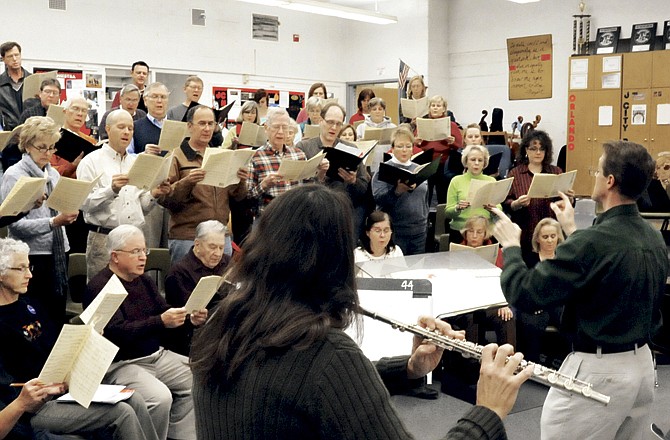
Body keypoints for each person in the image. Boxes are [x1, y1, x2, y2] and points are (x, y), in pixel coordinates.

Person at [190, 184, 533, 440]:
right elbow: (321, 376)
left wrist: (408, 368)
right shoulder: (327, 353)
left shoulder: (222, 325)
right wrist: (488, 411)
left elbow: (301, 388)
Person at [492, 140, 668, 440]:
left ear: (610, 181)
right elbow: (607, 274)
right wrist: (572, 232)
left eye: (598, 171)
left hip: (600, 370)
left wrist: (510, 247)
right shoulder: (652, 238)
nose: (595, 175)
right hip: (641, 367)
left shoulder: (593, 243)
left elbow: (524, 293)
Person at [0, 237, 159, 440]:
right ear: (1, 274)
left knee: (134, 398)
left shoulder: (31, 305)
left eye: (29, 266)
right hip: (33, 406)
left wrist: (86, 337)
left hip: (62, 388)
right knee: (121, 413)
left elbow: (60, 345)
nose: (29, 274)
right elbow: (9, 388)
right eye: (20, 269)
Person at [84, 225, 204, 440]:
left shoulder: (143, 281)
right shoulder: (99, 287)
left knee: (198, 377)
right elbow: (115, 333)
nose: (143, 257)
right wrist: (160, 322)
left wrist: (187, 318)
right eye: (136, 252)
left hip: (154, 355)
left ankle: (178, 436)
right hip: (121, 363)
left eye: (144, 251)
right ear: (115, 257)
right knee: (159, 397)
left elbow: (163, 311)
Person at [0, 116, 77, 326]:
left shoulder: (52, 174)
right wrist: (54, 222)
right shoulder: (14, 175)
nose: (48, 153)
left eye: (52, 147)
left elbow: (58, 212)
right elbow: (14, 226)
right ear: (26, 145)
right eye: (42, 147)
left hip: (59, 251)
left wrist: (69, 212)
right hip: (32, 256)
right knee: (36, 316)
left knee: (56, 312)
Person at [77, 109, 170, 281]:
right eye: (121, 127)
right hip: (103, 238)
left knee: (133, 297)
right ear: (108, 129)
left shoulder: (136, 162)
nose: (127, 132)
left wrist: (154, 194)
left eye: (130, 128)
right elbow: (83, 203)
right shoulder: (90, 162)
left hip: (134, 239)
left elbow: (140, 206)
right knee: (103, 295)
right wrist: (111, 190)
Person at [159, 105, 247, 263]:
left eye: (211, 124)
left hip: (221, 237)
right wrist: (187, 182)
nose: (207, 128)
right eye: (202, 123)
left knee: (220, 286)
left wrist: (241, 180)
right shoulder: (176, 156)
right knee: (186, 285)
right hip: (188, 237)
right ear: (189, 126)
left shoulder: (221, 155)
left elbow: (238, 197)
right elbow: (165, 199)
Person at [295, 102, 371, 237]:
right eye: (330, 122)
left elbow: (363, 188)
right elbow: (296, 185)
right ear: (320, 121)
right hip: (313, 216)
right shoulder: (304, 147)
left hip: (342, 216)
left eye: (338, 123)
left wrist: (353, 181)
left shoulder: (351, 149)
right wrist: (319, 176)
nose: (334, 127)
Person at [165, 220, 231, 356]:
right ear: (197, 245)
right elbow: (179, 320)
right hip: (193, 339)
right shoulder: (179, 272)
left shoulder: (227, 262)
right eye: (212, 247)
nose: (217, 253)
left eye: (221, 247)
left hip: (226, 328)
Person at [504, 130, 568, 264]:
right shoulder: (515, 173)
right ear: (526, 150)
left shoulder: (556, 172)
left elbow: (566, 206)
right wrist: (516, 203)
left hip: (551, 234)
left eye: (542, 149)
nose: (538, 152)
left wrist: (569, 199)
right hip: (526, 231)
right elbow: (506, 202)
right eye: (533, 149)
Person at [514, 218, 565, 363]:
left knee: (570, 320)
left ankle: (561, 361)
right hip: (534, 304)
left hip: (558, 304)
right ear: (537, 239)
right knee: (532, 322)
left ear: (558, 237)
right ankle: (533, 364)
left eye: (553, 236)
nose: (549, 241)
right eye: (545, 237)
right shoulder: (528, 260)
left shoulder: (564, 259)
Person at [372, 126, 428, 255]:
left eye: (408, 146)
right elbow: (378, 199)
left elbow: (425, 197)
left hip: (419, 230)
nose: (404, 150)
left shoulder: (419, 169)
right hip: (395, 230)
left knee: (416, 270)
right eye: (400, 146)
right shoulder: (384, 170)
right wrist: (397, 191)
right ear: (392, 148)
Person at [247, 107, 307, 214]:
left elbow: (308, 187)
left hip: (295, 216)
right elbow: (247, 198)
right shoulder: (255, 157)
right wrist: (264, 185)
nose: (280, 132)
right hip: (269, 218)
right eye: (276, 127)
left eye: (284, 127)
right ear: (266, 128)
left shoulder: (299, 155)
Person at [445, 144, 499, 244]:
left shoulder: (491, 181)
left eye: (480, 160)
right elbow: (448, 212)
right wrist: (457, 208)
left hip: (485, 231)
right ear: (466, 162)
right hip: (460, 230)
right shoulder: (456, 181)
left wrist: (493, 209)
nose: (476, 163)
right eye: (473, 160)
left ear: (485, 163)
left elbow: (499, 209)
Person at [416, 95, 463, 205]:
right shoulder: (423, 123)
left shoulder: (451, 125)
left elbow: (459, 145)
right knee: (425, 194)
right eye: (433, 105)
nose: (435, 108)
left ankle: (443, 219)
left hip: (444, 163)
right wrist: (417, 141)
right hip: (426, 162)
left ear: (444, 109)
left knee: (443, 195)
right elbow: (415, 145)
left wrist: (452, 142)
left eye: (438, 106)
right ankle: (425, 219)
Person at [0, 42, 31, 132]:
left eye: (16, 55)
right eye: (10, 56)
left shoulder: (33, 80)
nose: (14, 59)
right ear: (4, 59)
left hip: (31, 134)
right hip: (9, 135)